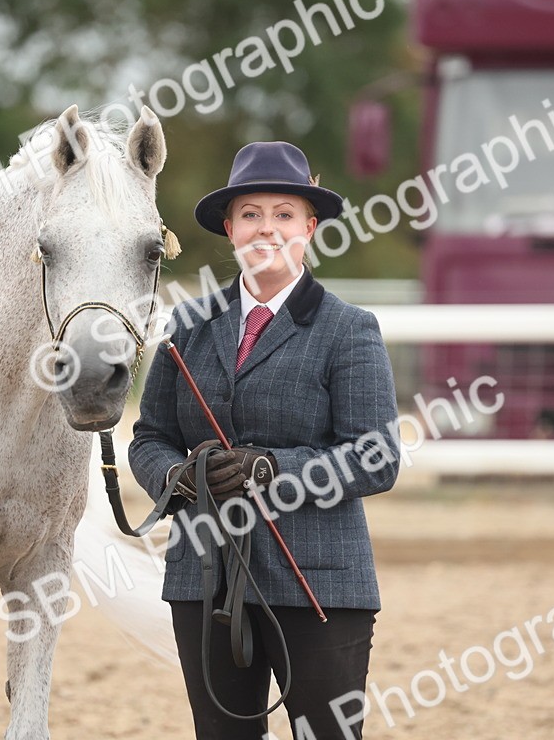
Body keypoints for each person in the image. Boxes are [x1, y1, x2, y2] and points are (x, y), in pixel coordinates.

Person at [129, 141, 401, 739]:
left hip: (318, 582)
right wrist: (178, 477)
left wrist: (271, 469)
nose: (266, 228)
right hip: (205, 577)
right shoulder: (188, 325)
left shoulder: (348, 329)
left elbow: (376, 458)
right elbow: (150, 437)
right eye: (251, 214)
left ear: (310, 227)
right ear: (230, 229)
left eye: (284, 214)